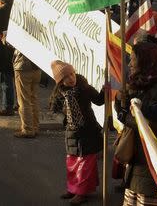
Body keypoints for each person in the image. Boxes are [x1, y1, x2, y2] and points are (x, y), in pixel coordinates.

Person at [116, 42, 157, 206]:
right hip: (138, 161)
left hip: (151, 162)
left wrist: (124, 115)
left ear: (146, 61)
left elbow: (150, 126)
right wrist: (120, 103)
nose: (129, 63)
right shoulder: (140, 84)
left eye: (133, 59)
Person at [49, 60, 104, 205]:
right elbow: (53, 111)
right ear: (60, 81)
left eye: (72, 74)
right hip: (71, 133)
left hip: (89, 132)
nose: (71, 78)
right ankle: (73, 189)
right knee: (72, 162)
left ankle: (82, 193)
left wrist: (105, 90)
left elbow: (99, 100)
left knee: (85, 164)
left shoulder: (84, 88)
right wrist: (65, 120)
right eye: (66, 77)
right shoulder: (59, 94)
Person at [13, 51, 41, 138]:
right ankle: (35, 127)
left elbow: (10, 42)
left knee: (24, 100)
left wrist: (3, 38)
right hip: (36, 66)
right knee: (33, 98)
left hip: (23, 67)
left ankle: (28, 129)